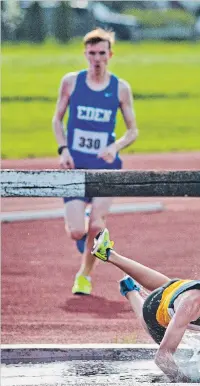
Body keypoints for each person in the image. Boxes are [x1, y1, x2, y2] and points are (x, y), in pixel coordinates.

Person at [91, 228, 200, 382]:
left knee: (167, 285)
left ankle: (109, 254)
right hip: (155, 309)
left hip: (177, 288)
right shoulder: (192, 305)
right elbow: (162, 357)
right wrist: (188, 384)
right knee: (148, 317)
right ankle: (131, 291)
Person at [52, 28, 139, 295]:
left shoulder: (120, 88)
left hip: (105, 167)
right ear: (85, 53)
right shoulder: (71, 82)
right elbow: (57, 119)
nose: (97, 58)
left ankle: (84, 276)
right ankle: (86, 232)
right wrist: (63, 149)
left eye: (102, 53)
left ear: (110, 55)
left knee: (98, 225)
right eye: (92, 53)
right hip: (75, 167)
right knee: (77, 231)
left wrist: (115, 146)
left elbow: (132, 130)